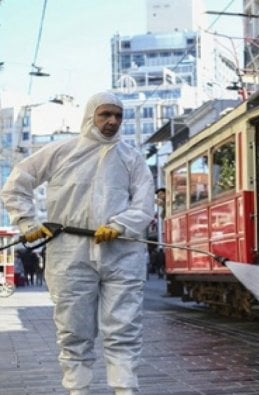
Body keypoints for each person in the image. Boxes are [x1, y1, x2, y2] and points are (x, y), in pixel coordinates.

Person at [1, 91, 155, 395]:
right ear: (90, 115)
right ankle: (78, 390)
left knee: (124, 328)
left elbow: (145, 202)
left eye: (118, 116)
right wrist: (28, 222)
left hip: (122, 252)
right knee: (73, 330)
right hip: (70, 254)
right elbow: (17, 184)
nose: (112, 121)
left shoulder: (131, 158)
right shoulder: (61, 152)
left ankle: (125, 389)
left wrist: (120, 225)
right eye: (105, 114)